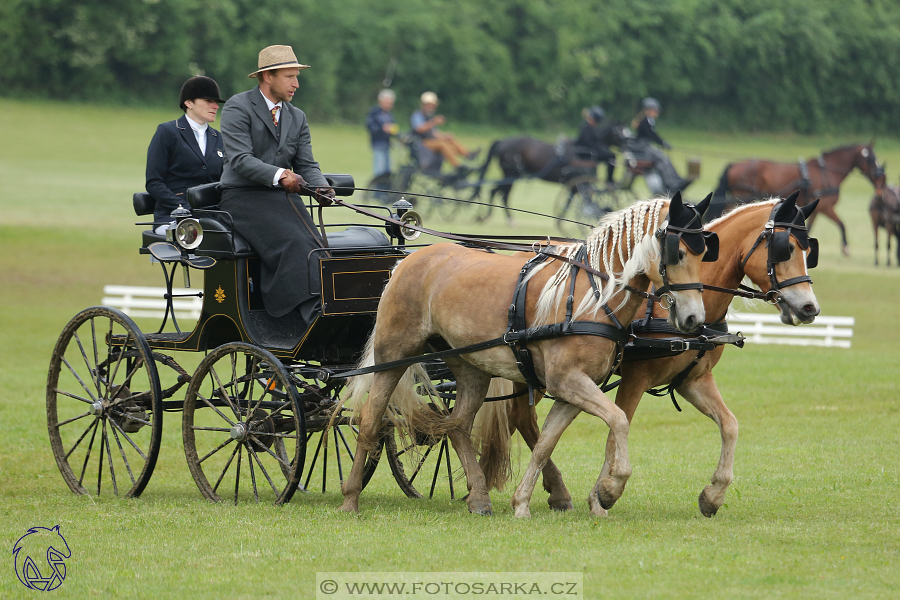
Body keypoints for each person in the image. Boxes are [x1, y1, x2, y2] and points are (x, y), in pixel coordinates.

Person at [219, 44, 336, 322]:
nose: (296, 84)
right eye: (289, 77)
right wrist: (281, 175)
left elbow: (307, 164)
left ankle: (324, 305)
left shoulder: (297, 116)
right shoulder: (238, 106)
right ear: (268, 76)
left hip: (283, 199)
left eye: (297, 77)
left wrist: (321, 188)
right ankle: (301, 311)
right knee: (295, 243)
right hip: (242, 197)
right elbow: (240, 160)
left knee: (317, 244)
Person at [145, 76, 225, 234]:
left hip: (212, 217)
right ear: (189, 103)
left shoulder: (220, 138)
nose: (216, 106)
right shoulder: (168, 132)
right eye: (209, 101)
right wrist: (184, 208)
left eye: (216, 102)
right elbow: (154, 182)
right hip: (173, 216)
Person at [629, 97, 692, 193]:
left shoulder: (647, 120)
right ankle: (671, 182)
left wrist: (662, 143)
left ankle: (675, 179)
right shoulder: (646, 121)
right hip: (643, 148)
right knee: (662, 158)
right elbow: (652, 135)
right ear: (648, 110)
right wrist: (663, 143)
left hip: (645, 147)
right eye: (655, 110)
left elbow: (653, 136)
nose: (657, 113)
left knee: (663, 158)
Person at [411, 91, 478, 174]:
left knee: (449, 139)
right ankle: (457, 166)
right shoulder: (417, 115)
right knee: (443, 145)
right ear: (424, 105)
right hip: (421, 143)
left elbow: (434, 133)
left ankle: (468, 154)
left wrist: (444, 136)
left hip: (430, 141)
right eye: (430, 105)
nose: (432, 107)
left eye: (433, 106)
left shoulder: (429, 117)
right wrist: (434, 122)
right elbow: (419, 129)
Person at [573, 105, 616, 188]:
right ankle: (609, 180)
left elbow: (595, 142)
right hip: (588, 153)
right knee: (611, 156)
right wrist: (600, 149)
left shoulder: (590, 127)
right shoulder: (586, 128)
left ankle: (610, 180)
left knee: (610, 154)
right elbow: (589, 143)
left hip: (592, 151)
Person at [365, 89, 399, 177]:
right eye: (387, 102)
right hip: (378, 144)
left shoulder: (389, 114)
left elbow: (392, 127)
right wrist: (382, 128)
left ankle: (386, 190)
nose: (389, 105)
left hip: (387, 144)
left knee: (388, 170)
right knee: (379, 171)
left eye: (390, 103)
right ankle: (378, 190)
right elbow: (369, 126)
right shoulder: (374, 112)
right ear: (381, 101)